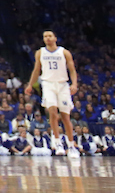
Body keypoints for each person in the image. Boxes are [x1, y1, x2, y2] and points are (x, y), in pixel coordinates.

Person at [26, 29, 80, 158]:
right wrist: (30, 85)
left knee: (66, 117)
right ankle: (58, 142)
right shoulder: (40, 53)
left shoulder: (64, 52)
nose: (47, 38)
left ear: (55, 38)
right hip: (48, 84)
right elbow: (36, 70)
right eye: (45, 36)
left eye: (50, 36)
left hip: (62, 84)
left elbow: (72, 70)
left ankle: (71, 145)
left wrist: (74, 84)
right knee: (52, 112)